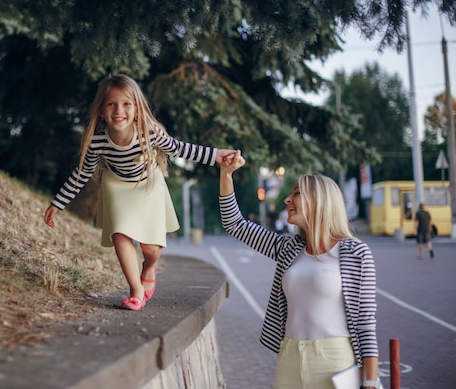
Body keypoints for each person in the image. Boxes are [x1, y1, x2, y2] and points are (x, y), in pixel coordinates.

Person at [44, 74, 233, 311]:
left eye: (126, 104)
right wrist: (58, 204)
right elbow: (81, 174)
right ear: (101, 110)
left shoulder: (148, 132)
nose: (118, 110)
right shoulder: (98, 142)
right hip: (117, 185)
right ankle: (136, 291)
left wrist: (216, 155)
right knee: (120, 233)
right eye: (111, 104)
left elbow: (178, 148)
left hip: (148, 184)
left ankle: (148, 268)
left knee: (151, 250)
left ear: (137, 109)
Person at [219, 150, 380, 389]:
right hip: (290, 357)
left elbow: (366, 323)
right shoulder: (288, 249)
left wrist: (369, 381)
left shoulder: (355, 253)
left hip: (335, 361)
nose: (287, 200)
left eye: (296, 194)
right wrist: (226, 174)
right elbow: (235, 224)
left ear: (320, 201)